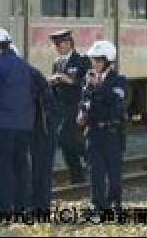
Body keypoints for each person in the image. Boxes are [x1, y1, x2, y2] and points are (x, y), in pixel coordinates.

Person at [0, 28, 34, 215]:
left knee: (3, 166)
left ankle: (3, 207)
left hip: (3, 124)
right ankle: (22, 206)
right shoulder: (23, 64)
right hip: (24, 123)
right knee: (21, 165)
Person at [78, 40, 127, 213]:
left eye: (99, 60)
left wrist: (98, 86)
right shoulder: (89, 80)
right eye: (94, 60)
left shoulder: (119, 81)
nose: (95, 64)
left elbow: (116, 104)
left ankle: (114, 203)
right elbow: (84, 101)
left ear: (108, 61)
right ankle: (97, 204)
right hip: (93, 132)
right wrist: (81, 113)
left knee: (114, 173)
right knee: (95, 171)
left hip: (111, 132)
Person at [48, 29, 90, 184]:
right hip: (62, 108)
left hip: (77, 106)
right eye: (55, 45)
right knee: (66, 144)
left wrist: (70, 81)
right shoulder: (57, 63)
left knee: (67, 139)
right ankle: (77, 177)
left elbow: (88, 83)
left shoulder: (82, 60)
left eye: (59, 44)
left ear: (68, 43)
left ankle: (93, 159)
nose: (57, 48)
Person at [30, 64, 60, 213]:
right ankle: (39, 204)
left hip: (43, 130)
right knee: (39, 168)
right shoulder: (30, 74)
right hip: (42, 129)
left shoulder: (31, 81)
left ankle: (41, 205)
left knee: (41, 168)